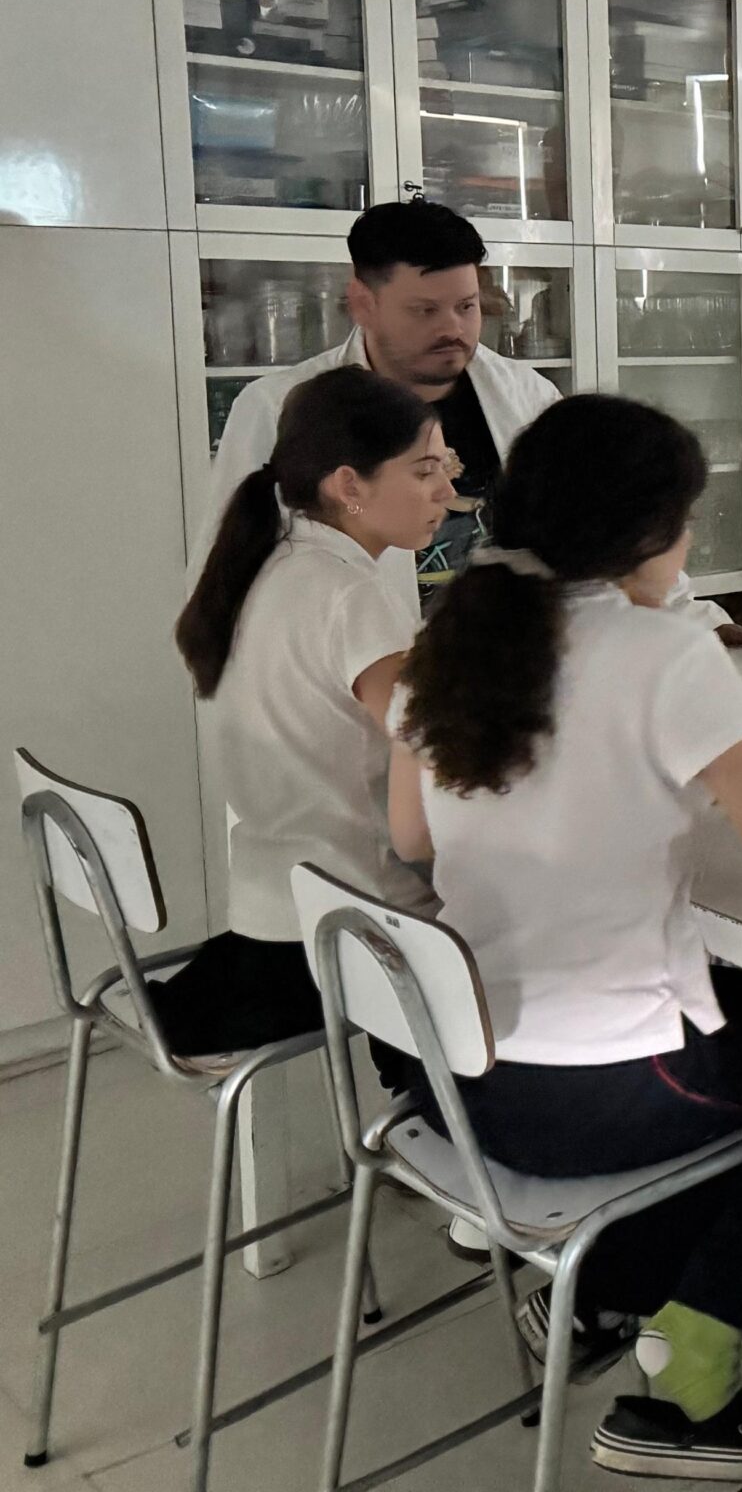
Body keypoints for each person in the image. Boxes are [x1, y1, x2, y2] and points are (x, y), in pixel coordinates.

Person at [389, 395, 742, 1482]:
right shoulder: (667, 653)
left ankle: (603, 1293)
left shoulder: (452, 638)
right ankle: (693, 1371)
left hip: (460, 1078)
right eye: (687, 523)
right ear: (645, 534)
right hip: (602, 1094)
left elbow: (409, 837)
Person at [200, 199, 742, 644]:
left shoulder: (524, 393)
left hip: (506, 675)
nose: (453, 329)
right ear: (363, 303)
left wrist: (695, 619)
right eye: (424, 310)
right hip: (354, 685)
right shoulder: (278, 407)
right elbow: (230, 572)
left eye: (466, 306)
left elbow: (599, 520)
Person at [160, 368, 453, 1054]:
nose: (446, 491)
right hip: (353, 931)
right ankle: (428, 1095)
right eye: (424, 471)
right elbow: (434, 760)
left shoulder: (267, 565)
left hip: (270, 909)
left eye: (448, 468)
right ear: (350, 485)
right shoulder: (351, 596)